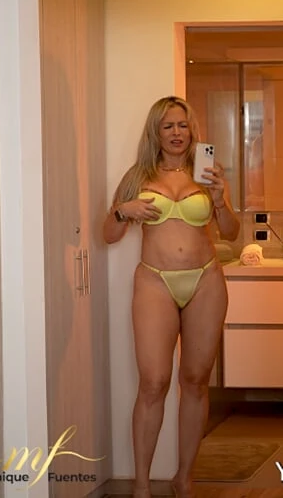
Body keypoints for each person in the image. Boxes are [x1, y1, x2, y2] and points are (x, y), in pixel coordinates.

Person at [103, 96, 240, 498]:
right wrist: (122, 210)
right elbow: (108, 234)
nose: (177, 133)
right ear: (156, 132)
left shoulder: (207, 174)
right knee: (153, 382)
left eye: (182, 125)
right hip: (155, 282)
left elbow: (231, 233)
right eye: (168, 126)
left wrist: (220, 200)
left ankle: (184, 478)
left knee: (195, 381)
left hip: (206, 281)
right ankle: (142, 486)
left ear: (191, 130)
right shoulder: (137, 176)